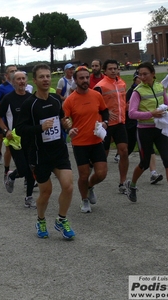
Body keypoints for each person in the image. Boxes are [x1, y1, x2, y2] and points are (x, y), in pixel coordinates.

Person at [16, 63, 75, 240]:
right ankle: (41, 219)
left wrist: (66, 124)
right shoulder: (29, 104)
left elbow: (62, 118)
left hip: (59, 150)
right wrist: (39, 128)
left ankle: (61, 220)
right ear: (35, 80)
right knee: (46, 192)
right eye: (42, 77)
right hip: (39, 154)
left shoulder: (56, 100)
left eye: (48, 76)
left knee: (68, 186)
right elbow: (19, 129)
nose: (46, 79)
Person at [127, 62, 168, 209]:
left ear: (153, 74)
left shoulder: (160, 86)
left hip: (160, 129)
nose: (142, 77)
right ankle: (132, 185)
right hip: (144, 130)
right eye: (140, 74)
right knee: (144, 162)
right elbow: (131, 113)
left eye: (145, 74)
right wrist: (151, 114)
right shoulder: (138, 91)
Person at [63, 66, 109, 213]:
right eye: (81, 78)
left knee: (101, 173)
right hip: (80, 143)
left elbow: (105, 111)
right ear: (75, 80)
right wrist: (69, 129)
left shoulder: (96, 95)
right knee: (83, 175)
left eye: (86, 77)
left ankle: (89, 187)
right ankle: (84, 200)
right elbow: (64, 119)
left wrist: (105, 123)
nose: (84, 80)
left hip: (96, 141)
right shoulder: (70, 101)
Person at [0, 71, 36, 208]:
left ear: (26, 81)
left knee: (32, 168)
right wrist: (5, 130)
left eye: (23, 79)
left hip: (30, 138)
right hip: (15, 140)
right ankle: (12, 176)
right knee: (24, 169)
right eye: (18, 79)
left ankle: (29, 198)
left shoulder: (32, 97)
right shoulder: (8, 99)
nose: (21, 81)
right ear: (13, 82)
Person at [94, 59, 129, 194]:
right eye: (110, 69)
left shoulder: (122, 83)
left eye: (116, 68)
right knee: (103, 154)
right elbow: (94, 103)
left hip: (120, 122)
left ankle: (123, 182)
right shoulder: (100, 86)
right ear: (105, 71)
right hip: (107, 124)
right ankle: (93, 179)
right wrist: (107, 113)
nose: (113, 71)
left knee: (124, 151)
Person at [0, 65, 17, 169]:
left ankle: (25, 171)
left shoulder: (21, 85)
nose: (14, 72)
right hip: (7, 121)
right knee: (9, 148)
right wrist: (7, 107)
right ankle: (7, 169)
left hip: (21, 120)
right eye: (12, 71)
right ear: (6, 75)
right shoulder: (2, 88)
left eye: (16, 70)